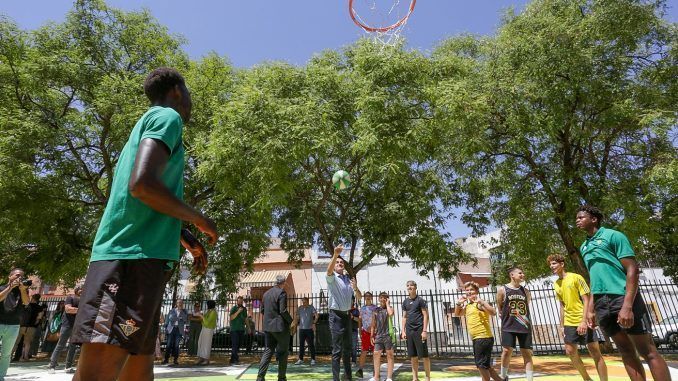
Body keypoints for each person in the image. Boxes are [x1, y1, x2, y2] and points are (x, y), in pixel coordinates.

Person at [69, 67, 217, 381]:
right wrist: (199, 217)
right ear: (177, 90)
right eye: (188, 93)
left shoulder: (147, 124)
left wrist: (187, 238)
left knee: (138, 370)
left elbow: (142, 203)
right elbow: (143, 186)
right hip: (128, 261)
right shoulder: (167, 117)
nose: (190, 102)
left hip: (142, 260)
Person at [576, 205, 670, 381]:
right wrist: (590, 309)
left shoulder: (613, 236)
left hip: (622, 297)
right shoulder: (584, 246)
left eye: (581, 217)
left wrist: (627, 306)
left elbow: (632, 268)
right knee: (626, 351)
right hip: (601, 304)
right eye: (577, 218)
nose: (577, 220)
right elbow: (594, 278)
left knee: (647, 350)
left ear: (594, 219)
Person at [548, 253, 608, 381]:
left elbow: (586, 300)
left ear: (562, 264)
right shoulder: (556, 284)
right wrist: (561, 326)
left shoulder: (576, 277)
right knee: (570, 352)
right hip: (569, 322)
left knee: (594, 351)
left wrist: (583, 321)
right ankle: (587, 379)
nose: (551, 266)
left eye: (554, 263)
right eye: (550, 264)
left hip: (583, 318)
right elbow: (562, 306)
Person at [455, 282, 505, 381]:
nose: (469, 292)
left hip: (483, 337)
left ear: (477, 291)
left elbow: (493, 312)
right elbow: (457, 314)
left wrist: (481, 302)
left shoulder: (479, 303)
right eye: (467, 290)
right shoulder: (469, 305)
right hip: (477, 338)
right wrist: (458, 303)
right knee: (485, 365)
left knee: (481, 365)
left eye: (471, 290)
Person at [326, 245, 362, 381]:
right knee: (336, 351)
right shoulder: (332, 278)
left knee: (347, 350)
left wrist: (356, 288)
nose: (340, 264)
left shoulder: (348, 279)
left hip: (347, 316)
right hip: (335, 316)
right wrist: (335, 255)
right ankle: (336, 379)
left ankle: (348, 377)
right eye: (337, 263)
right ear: (335, 266)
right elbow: (328, 271)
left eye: (342, 262)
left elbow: (359, 297)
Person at [496, 267, 533, 381]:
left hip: (524, 326)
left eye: (523, 272)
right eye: (520, 273)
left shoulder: (525, 291)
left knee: (526, 352)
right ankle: (503, 375)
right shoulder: (502, 289)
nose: (523, 274)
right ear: (512, 275)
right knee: (507, 351)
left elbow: (527, 305)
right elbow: (500, 306)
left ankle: (529, 378)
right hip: (508, 325)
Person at [257, 274, 292, 381]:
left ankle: (260, 377)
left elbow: (262, 310)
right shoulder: (282, 293)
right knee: (283, 352)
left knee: (268, 351)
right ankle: (281, 378)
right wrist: (292, 321)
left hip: (268, 327)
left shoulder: (266, 294)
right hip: (280, 328)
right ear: (283, 283)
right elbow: (283, 311)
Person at [0, 268, 30, 381]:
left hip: (14, 325)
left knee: (6, 354)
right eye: (17, 275)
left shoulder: (22, 291)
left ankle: (1, 376)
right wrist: (10, 287)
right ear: (10, 276)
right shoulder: (2, 287)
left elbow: (26, 302)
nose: (19, 278)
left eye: (21, 276)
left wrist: (23, 290)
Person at [401, 280, 431, 381]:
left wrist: (424, 331)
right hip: (409, 331)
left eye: (411, 285)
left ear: (415, 287)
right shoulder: (405, 302)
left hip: (419, 331)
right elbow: (404, 317)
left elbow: (426, 315)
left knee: (424, 356)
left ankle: (427, 378)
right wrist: (403, 331)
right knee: (413, 356)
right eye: (408, 285)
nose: (410, 287)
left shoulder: (420, 300)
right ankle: (415, 378)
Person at [48, 286, 82, 374]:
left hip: (77, 326)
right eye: (81, 289)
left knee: (73, 347)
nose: (82, 291)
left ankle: (68, 366)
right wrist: (82, 310)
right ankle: (52, 366)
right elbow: (68, 309)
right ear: (77, 290)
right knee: (60, 345)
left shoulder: (83, 300)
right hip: (67, 325)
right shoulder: (70, 297)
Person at [368, 292, 395, 381]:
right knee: (376, 354)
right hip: (379, 335)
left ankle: (389, 377)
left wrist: (387, 304)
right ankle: (376, 376)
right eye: (381, 298)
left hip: (388, 335)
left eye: (384, 298)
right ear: (379, 299)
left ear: (387, 299)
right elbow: (373, 324)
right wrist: (372, 335)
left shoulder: (389, 308)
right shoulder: (376, 310)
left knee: (390, 355)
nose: (382, 299)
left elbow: (391, 314)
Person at [13, 294, 43, 361]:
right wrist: (35, 324)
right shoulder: (39, 308)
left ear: (32, 298)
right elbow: (39, 318)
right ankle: (25, 357)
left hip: (22, 326)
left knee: (16, 342)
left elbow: (20, 316)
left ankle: (10, 356)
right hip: (31, 327)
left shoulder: (25, 305)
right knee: (27, 343)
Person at [356, 292, 377, 378]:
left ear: (371, 297)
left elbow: (377, 319)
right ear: (364, 298)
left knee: (374, 352)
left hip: (374, 333)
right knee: (364, 351)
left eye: (369, 296)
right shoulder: (362, 308)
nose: (368, 297)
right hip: (365, 332)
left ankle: (375, 370)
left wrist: (374, 328)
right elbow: (360, 320)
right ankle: (360, 369)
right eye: (366, 296)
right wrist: (360, 330)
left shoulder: (375, 308)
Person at [293, 297, 318, 365]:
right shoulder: (300, 308)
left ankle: (313, 359)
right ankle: (300, 359)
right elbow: (297, 317)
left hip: (309, 329)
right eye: (302, 302)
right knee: (301, 345)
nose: (303, 303)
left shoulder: (311, 307)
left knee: (311, 345)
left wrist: (314, 323)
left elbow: (316, 315)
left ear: (307, 301)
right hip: (301, 329)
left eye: (304, 302)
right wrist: (295, 323)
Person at [163, 300, 188, 366]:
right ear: (176, 304)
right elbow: (171, 318)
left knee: (177, 345)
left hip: (179, 330)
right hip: (171, 329)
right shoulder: (172, 310)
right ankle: (166, 359)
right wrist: (179, 318)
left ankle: (175, 360)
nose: (180, 304)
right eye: (179, 303)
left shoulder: (184, 311)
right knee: (168, 344)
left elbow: (185, 319)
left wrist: (180, 314)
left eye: (181, 303)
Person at [196, 300, 218, 365]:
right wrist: (202, 316)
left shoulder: (213, 312)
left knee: (206, 344)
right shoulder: (209, 311)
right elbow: (204, 321)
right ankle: (201, 358)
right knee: (201, 342)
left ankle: (206, 359)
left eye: (208, 304)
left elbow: (207, 322)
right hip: (204, 328)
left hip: (209, 329)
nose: (207, 305)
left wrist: (201, 316)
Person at [229, 296, 247, 365]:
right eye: (239, 301)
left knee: (239, 344)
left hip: (241, 329)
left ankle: (232, 359)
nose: (240, 303)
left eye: (241, 302)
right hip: (234, 329)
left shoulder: (244, 309)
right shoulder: (234, 308)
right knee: (235, 344)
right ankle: (235, 359)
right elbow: (231, 318)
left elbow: (246, 319)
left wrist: (248, 327)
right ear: (237, 301)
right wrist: (238, 312)